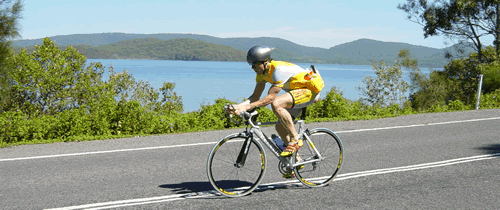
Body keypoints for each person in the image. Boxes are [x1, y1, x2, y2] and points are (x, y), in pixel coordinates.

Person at [230, 45, 325, 178]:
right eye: (251, 65)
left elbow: (270, 98)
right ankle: (296, 161)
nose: (252, 68)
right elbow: (255, 97)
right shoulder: (261, 74)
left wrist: (247, 108)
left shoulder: (278, 70)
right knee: (280, 127)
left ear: (265, 62)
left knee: (276, 103)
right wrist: (238, 106)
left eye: (255, 64)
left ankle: (295, 139)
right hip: (295, 93)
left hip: (310, 92)